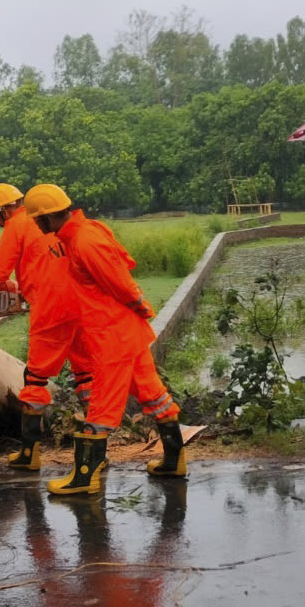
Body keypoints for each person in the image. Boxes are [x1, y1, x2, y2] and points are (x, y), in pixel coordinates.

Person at [23, 184, 188, 496]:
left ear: (45, 218)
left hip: (113, 336)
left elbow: (119, 281)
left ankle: (85, 477)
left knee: (101, 407)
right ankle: (174, 460)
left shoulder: (84, 241)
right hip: (124, 334)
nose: (36, 226)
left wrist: (141, 305)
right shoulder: (76, 236)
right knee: (154, 396)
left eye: (37, 220)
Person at [0, 183, 92, 471]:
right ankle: (96, 449)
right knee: (85, 375)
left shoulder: (16, 225)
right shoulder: (49, 220)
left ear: (5, 210)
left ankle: (31, 452)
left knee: (35, 379)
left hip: (49, 308)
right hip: (79, 303)